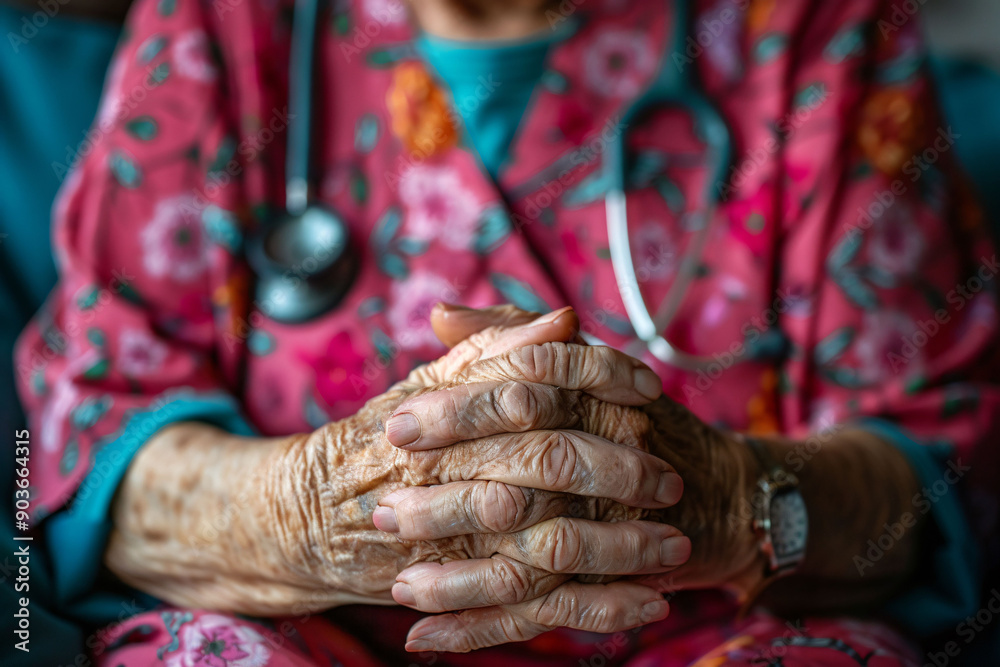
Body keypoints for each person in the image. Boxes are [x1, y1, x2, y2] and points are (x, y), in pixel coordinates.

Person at [14, 0, 999, 665]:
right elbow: (85, 440)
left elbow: (938, 474)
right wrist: (310, 511)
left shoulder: (812, 27)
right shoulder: (220, 25)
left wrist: (729, 497)